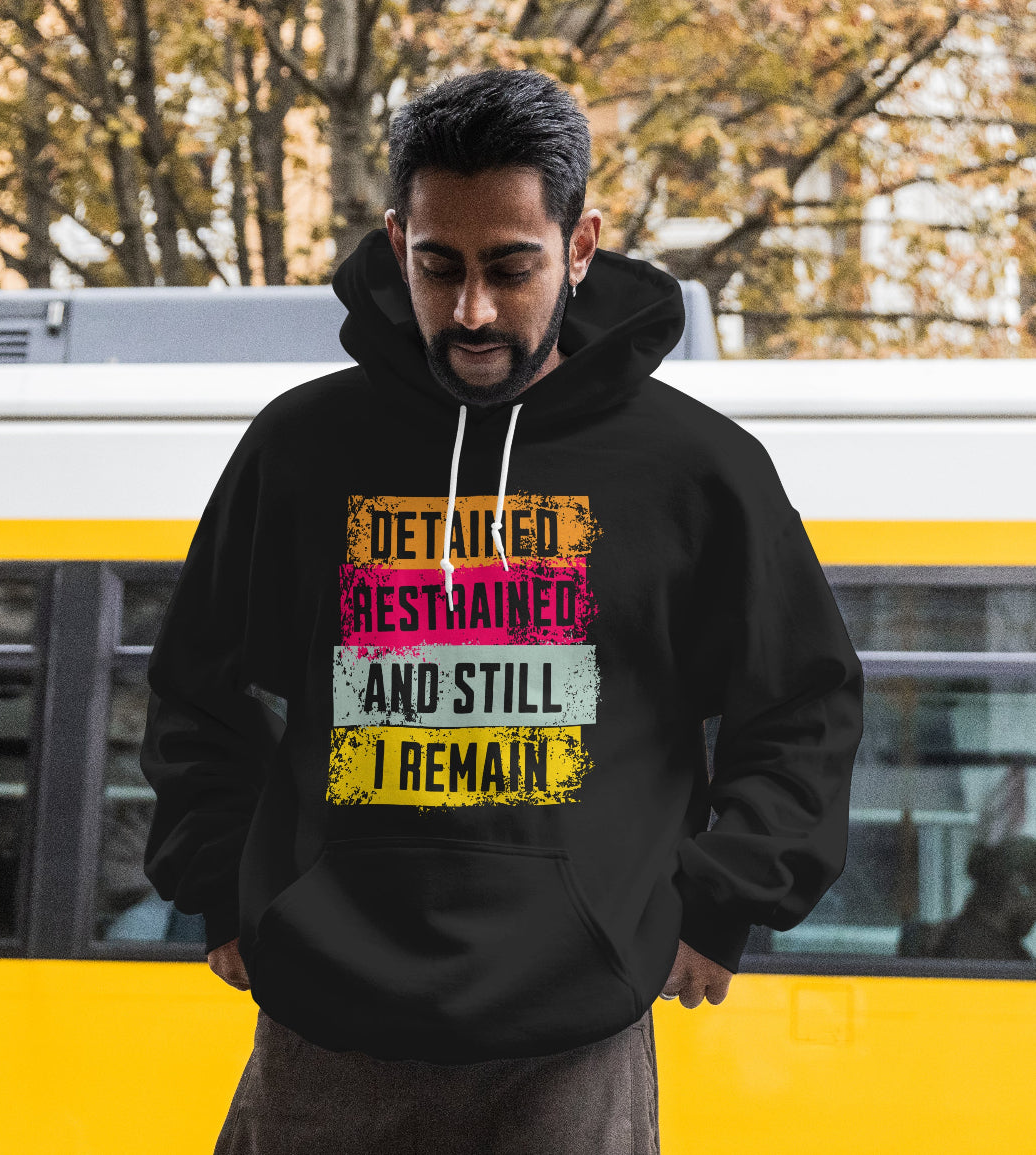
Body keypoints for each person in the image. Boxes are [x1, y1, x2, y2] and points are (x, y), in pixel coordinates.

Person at [139, 67, 865, 1154]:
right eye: (440, 267)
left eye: (511, 268)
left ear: (580, 247)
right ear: (398, 245)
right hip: (320, 1036)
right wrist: (224, 889)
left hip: (571, 1043)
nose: (473, 311)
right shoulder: (301, 447)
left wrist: (724, 903)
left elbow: (803, 702)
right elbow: (198, 685)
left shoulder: (694, 469)